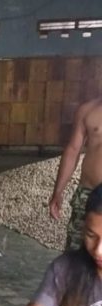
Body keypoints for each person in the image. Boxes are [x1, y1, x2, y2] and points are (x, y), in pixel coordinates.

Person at [49, 97, 102, 251]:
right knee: (77, 253)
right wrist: (58, 191)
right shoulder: (88, 110)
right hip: (87, 193)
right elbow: (73, 150)